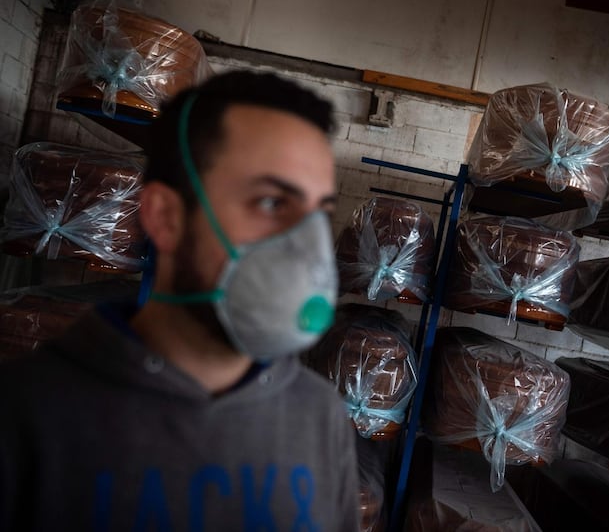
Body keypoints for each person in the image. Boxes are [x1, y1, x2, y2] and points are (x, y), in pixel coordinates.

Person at [0, 69, 360, 531]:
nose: (306, 249)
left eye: (318, 216)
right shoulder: (24, 418)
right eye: (271, 203)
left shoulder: (319, 416)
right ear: (165, 217)